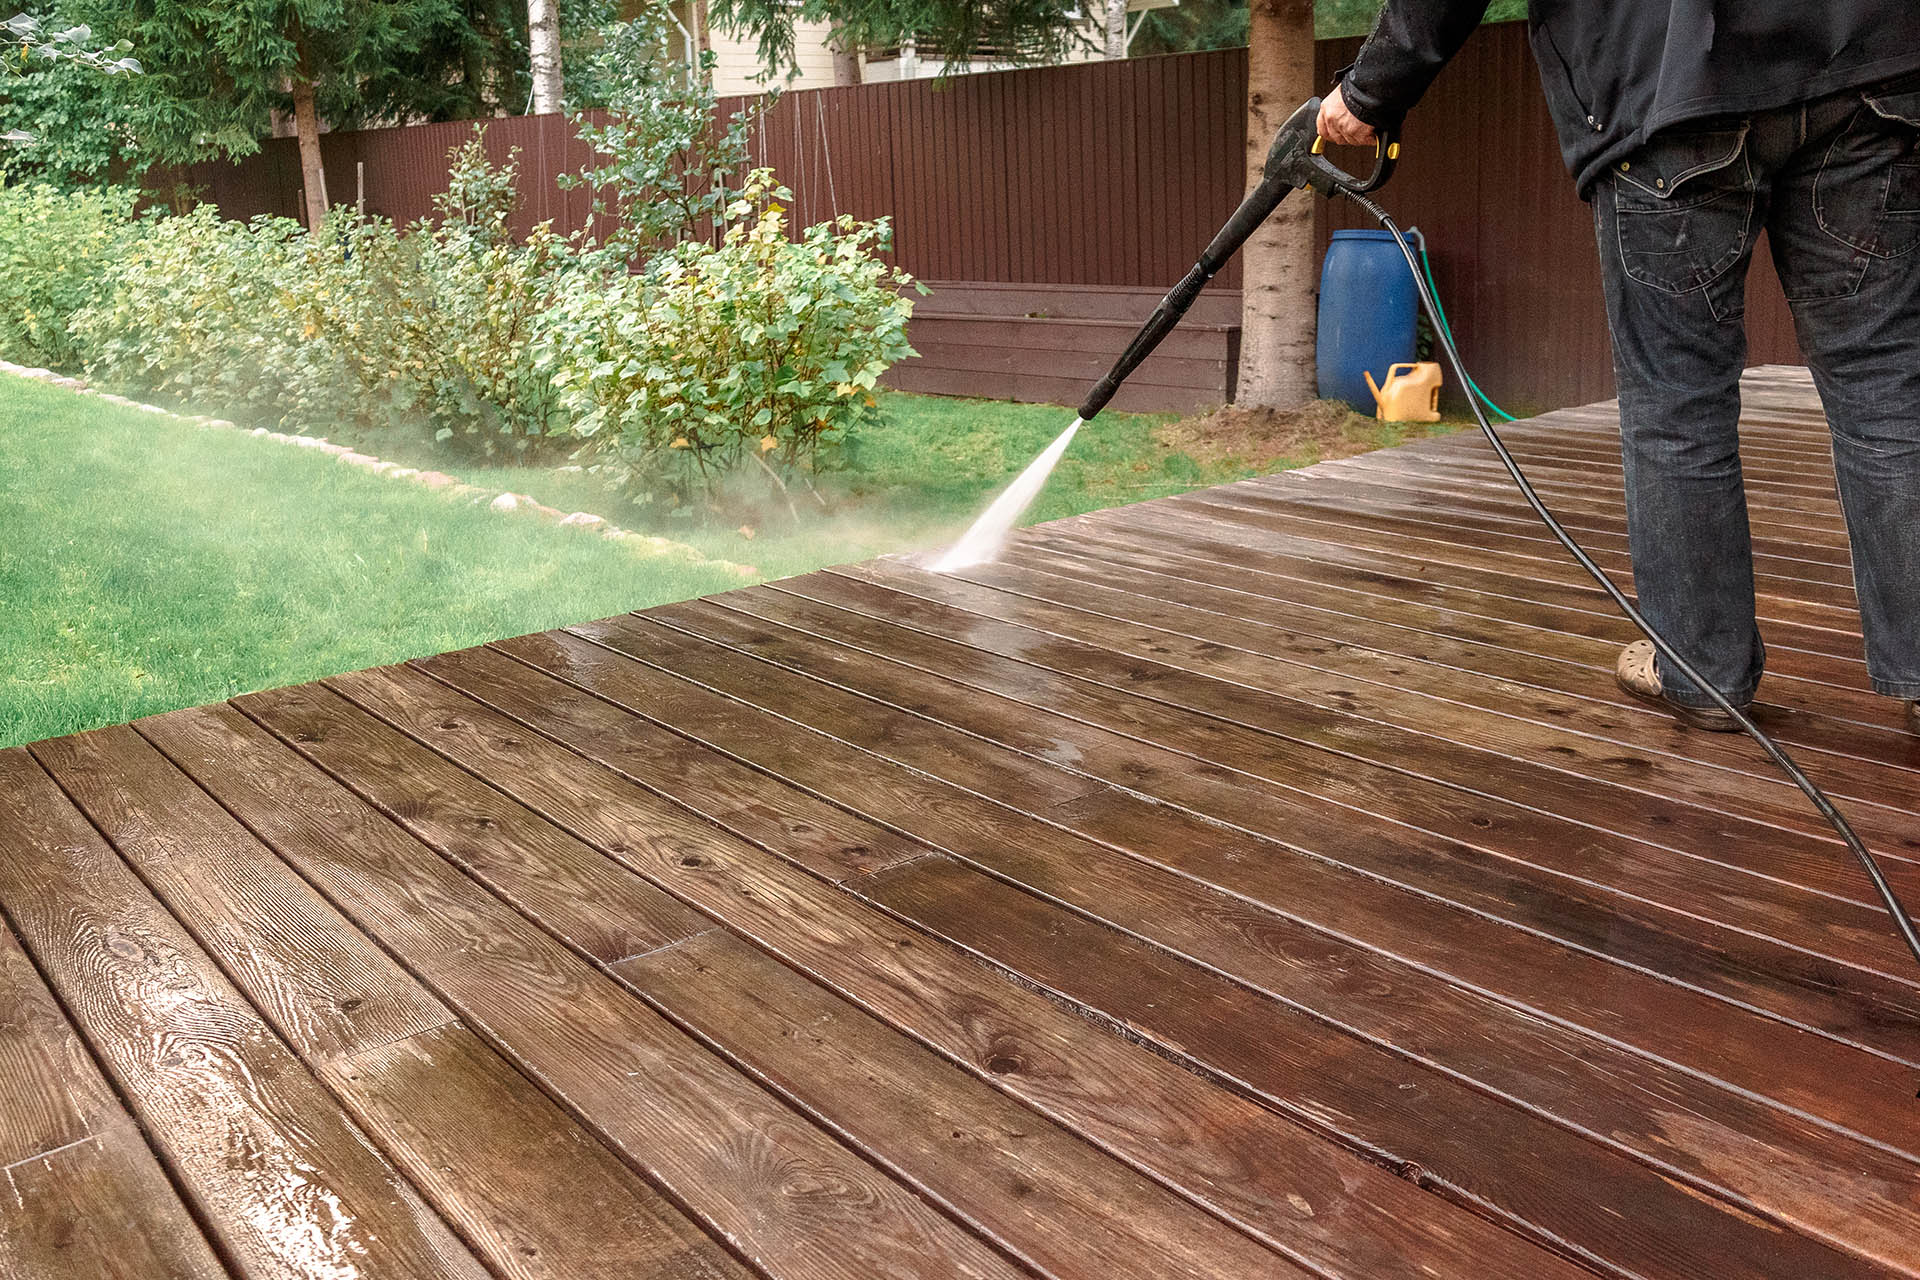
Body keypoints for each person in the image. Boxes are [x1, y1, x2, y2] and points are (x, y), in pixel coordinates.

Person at [1318, 3, 1920, 736]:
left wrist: (1368, 93)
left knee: (1678, 403)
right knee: (1886, 387)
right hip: (1866, 72)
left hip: (1667, 91)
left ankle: (1703, 675)